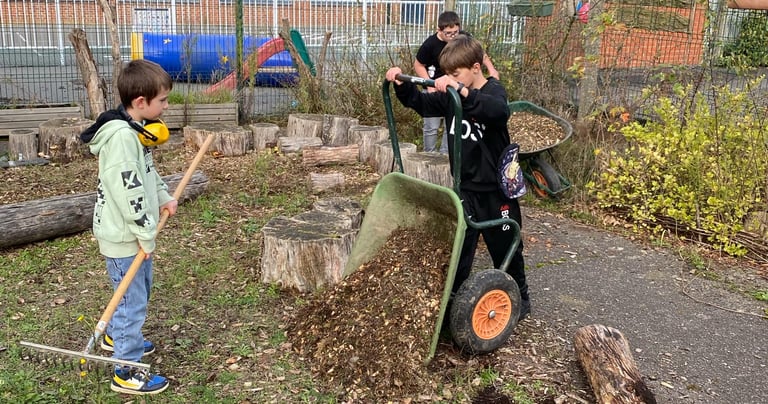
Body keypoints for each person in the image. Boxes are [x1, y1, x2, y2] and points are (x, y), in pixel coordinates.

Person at [386, 35, 530, 320]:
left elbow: (498, 112)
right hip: (464, 186)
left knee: (505, 247)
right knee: (462, 246)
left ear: (475, 67)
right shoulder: (451, 96)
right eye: (447, 74)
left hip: (495, 189)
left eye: (455, 73)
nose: (449, 78)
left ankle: (520, 297)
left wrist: (461, 91)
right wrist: (402, 87)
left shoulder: (492, 90)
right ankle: (455, 299)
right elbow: (423, 105)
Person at [79, 59, 177, 395]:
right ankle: (126, 369)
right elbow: (129, 191)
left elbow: (146, 174)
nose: (166, 106)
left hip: (132, 233)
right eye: (163, 100)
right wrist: (146, 233)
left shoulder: (133, 129)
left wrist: (164, 196)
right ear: (141, 103)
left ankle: (115, 335)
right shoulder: (122, 139)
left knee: (136, 293)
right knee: (131, 301)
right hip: (126, 236)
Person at [414, 10, 499, 154]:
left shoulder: (463, 38)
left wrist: (492, 69)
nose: (453, 36)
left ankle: (447, 154)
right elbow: (418, 65)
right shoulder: (430, 44)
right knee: (431, 126)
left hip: (454, 88)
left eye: (455, 32)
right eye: (449, 33)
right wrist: (429, 84)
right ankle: (429, 154)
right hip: (435, 88)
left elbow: (479, 53)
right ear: (439, 30)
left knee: (452, 124)